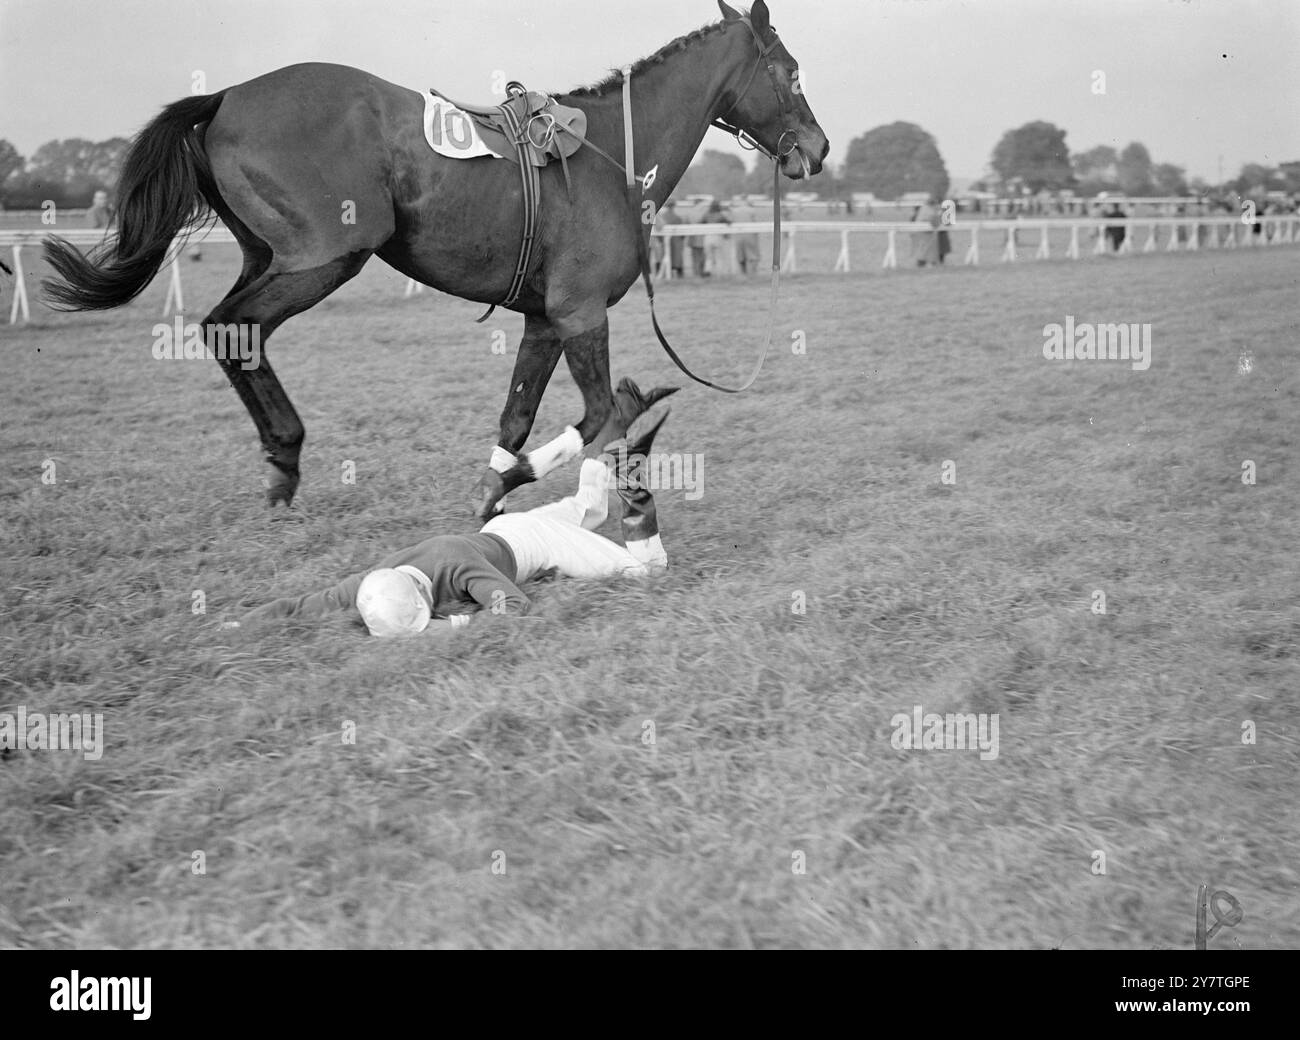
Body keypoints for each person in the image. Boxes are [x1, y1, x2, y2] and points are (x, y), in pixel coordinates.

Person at [229, 379, 677, 637]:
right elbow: (300, 606)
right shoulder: (374, 581)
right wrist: (239, 626)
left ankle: (629, 476)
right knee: (588, 510)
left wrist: (453, 626)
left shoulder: (458, 569)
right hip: (512, 530)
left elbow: (516, 609)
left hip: (537, 542)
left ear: (425, 597)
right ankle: (617, 418)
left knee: (649, 575)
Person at [703, 200, 730, 276]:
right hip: (717, 237)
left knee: (709, 257)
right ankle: (719, 274)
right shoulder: (720, 215)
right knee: (719, 257)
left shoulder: (706, 214)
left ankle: (708, 270)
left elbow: (700, 222)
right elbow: (728, 222)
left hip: (708, 237)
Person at [661, 200, 685, 278]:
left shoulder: (663, 216)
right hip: (676, 239)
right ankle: (679, 273)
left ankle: (666, 273)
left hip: (666, 239)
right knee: (677, 257)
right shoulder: (677, 217)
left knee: (666, 256)